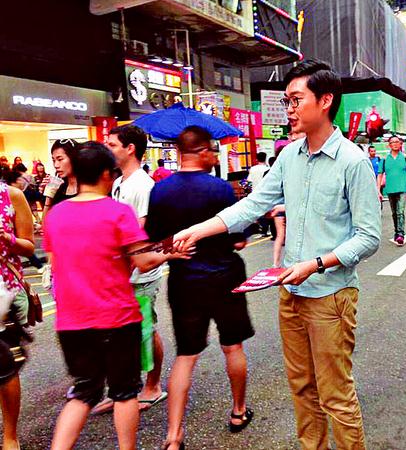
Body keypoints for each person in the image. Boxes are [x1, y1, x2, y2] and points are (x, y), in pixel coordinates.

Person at [172, 60, 381, 450]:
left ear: (325, 101)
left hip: (330, 296)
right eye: (287, 101)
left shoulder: (353, 161)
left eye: (296, 100)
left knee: (335, 395)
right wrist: (199, 229)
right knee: (301, 388)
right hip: (291, 293)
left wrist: (315, 264)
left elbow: (368, 238)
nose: (289, 109)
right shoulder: (289, 156)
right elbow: (253, 205)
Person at [44, 142, 187, 450]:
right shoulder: (117, 212)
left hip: (72, 322)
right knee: (124, 392)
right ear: (107, 175)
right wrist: (170, 254)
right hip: (117, 318)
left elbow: (57, 264)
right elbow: (143, 261)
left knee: (83, 392)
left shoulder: (55, 215)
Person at [144, 126, 255, 449]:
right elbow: (238, 240)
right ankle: (238, 412)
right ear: (202, 151)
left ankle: (173, 436)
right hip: (225, 277)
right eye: (212, 151)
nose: (215, 156)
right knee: (233, 347)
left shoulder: (160, 191)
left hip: (184, 281)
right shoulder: (221, 189)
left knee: (186, 356)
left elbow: (157, 242)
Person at [98, 125, 167, 414]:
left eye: (112, 144)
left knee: (145, 329)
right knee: (123, 333)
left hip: (140, 272)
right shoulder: (119, 182)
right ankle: (123, 388)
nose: (108, 149)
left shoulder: (143, 185)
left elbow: (141, 231)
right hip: (120, 272)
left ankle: (153, 386)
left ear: (130, 149)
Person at [0, 169, 35, 450]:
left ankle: (10, 435)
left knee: (4, 367)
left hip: (3, 293)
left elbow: (28, 246)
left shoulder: (12, 196)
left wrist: (6, 238)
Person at [377, 136, 406, 246]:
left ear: (400, 144)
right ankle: (397, 232)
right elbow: (380, 174)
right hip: (390, 189)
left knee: (400, 211)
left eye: (397, 142)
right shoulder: (384, 159)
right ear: (389, 145)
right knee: (394, 213)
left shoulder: (405, 158)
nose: (395, 144)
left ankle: (401, 234)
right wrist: (378, 190)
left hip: (402, 189)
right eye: (393, 142)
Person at [43, 140, 80, 219]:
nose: (56, 165)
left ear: (74, 158)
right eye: (54, 160)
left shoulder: (88, 187)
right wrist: (49, 196)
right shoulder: (60, 189)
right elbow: (46, 223)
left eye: (60, 159)